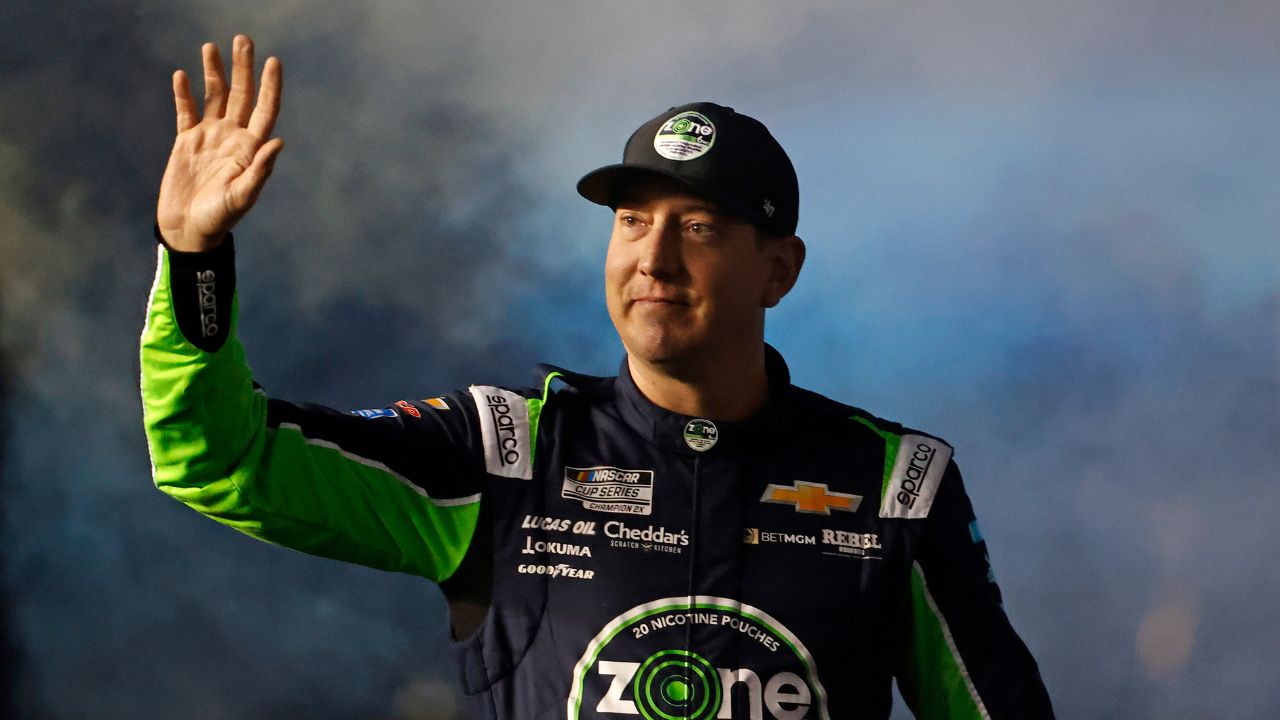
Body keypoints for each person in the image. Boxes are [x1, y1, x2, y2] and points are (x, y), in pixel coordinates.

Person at [142, 35, 1055, 720]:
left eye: (698, 226)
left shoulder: (897, 484)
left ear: (779, 269)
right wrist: (193, 255)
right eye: (631, 219)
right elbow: (226, 459)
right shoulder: (501, 453)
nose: (653, 256)